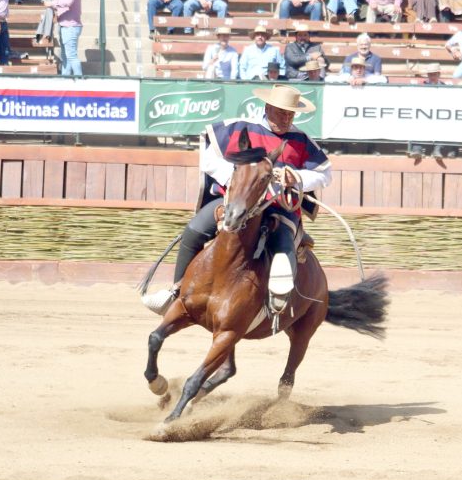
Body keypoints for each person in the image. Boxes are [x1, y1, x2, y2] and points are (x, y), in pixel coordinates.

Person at [141, 84, 332, 315]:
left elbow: (324, 174)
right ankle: (177, 291)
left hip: (279, 208)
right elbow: (209, 160)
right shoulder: (240, 128)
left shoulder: (301, 140)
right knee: (194, 230)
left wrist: (296, 176)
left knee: (283, 245)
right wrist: (236, 178)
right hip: (236, 202)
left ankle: (275, 304)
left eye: (291, 114)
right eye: (281, 112)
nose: (286, 118)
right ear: (268, 107)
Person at [410, 63, 449, 159]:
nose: (432, 76)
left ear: (439, 75)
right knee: (417, 124)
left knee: (446, 126)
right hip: (425, 115)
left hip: (440, 117)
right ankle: (417, 149)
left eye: (434, 74)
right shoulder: (422, 86)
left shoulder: (446, 88)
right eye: (430, 74)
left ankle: (437, 150)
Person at [47, 0, 82, 76]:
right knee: (65, 56)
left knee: (71, 56)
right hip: (65, 26)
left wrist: (51, 3)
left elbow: (68, 2)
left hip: (70, 27)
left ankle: (80, 81)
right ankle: (65, 79)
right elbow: (63, 5)